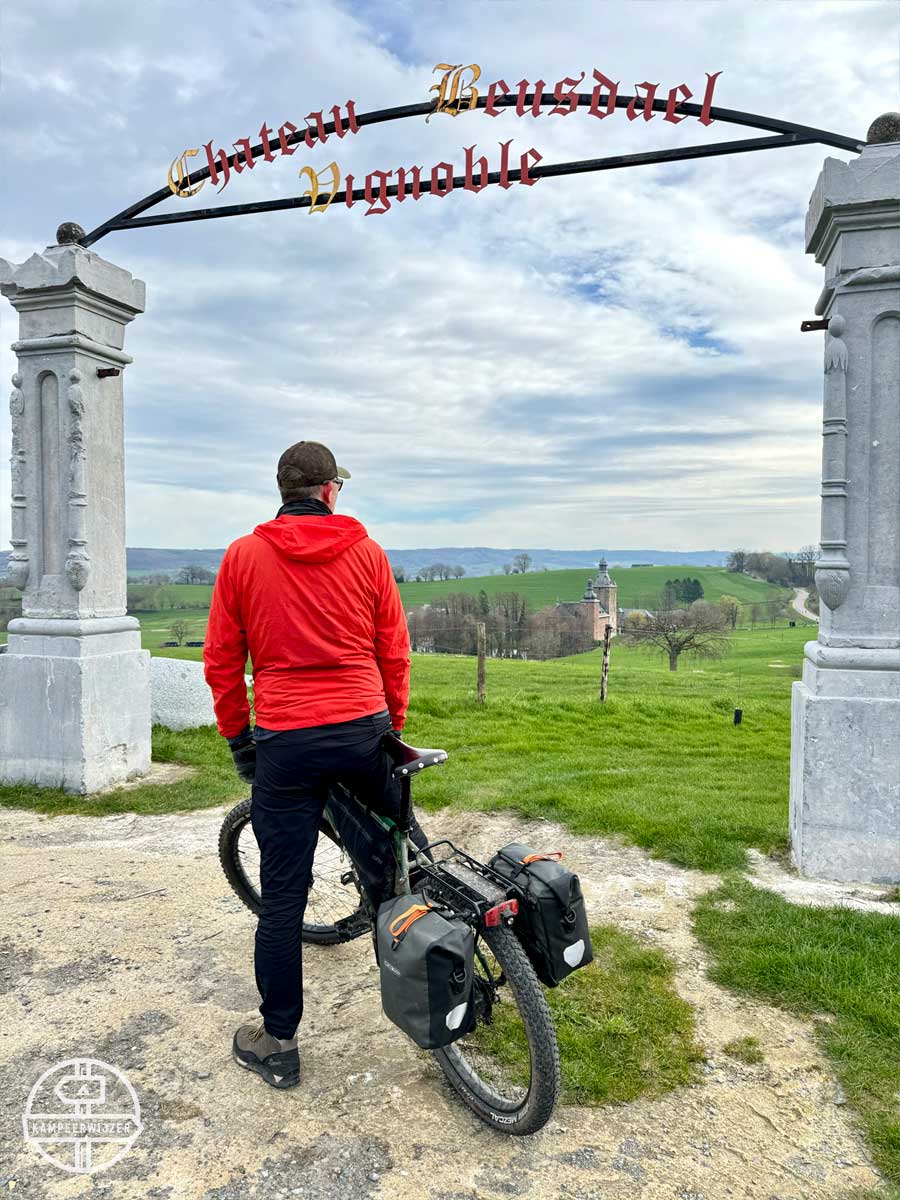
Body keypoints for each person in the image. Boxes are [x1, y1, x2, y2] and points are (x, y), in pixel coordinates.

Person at [203, 440, 428, 1090]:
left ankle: (278, 1044)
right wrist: (391, 725)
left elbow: (222, 660)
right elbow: (394, 650)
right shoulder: (367, 553)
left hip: (287, 740)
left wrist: (239, 737)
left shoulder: (243, 557)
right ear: (330, 491)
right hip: (362, 725)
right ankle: (443, 967)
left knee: (282, 898)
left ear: (283, 492)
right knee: (404, 849)